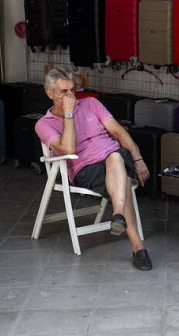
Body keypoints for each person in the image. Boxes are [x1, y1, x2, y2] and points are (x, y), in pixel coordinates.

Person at [35, 68, 152, 270]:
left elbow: (119, 131)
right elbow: (69, 148)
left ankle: (125, 227)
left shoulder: (91, 103)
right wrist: (69, 114)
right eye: (64, 92)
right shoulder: (44, 124)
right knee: (120, 180)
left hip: (117, 158)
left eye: (73, 90)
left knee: (115, 157)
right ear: (50, 94)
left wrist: (138, 159)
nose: (71, 96)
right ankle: (130, 236)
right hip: (85, 169)